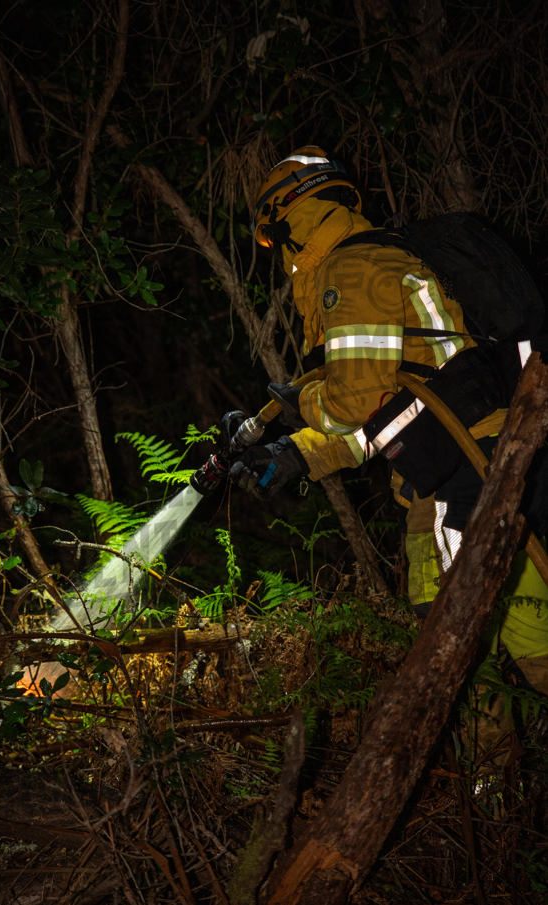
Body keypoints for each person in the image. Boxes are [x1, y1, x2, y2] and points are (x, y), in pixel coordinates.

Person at [229, 146, 548, 748]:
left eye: (274, 242)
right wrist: (296, 453)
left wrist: (304, 403)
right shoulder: (383, 259)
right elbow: (394, 415)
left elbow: (352, 401)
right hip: (475, 471)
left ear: (288, 224)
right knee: (523, 639)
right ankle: (500, 807)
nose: (280, 260)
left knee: (454, 644)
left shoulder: (352, 271)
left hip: (463, 486)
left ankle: (490, 802)